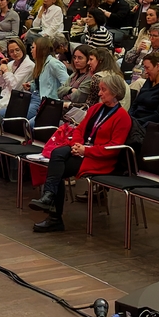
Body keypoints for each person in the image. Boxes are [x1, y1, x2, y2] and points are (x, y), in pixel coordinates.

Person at [28, 70, 132, 232]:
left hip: (99, 159)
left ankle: (53, 211)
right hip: (82, 150)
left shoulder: (122, 117)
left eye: (103, 90)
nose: (99, 93)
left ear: (115, 92)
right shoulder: (96, 108)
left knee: (58, 168)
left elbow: (113, 149)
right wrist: (77, 145)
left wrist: (86, 151)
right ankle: (49, 200)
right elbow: (79, 129)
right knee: (57, 153)